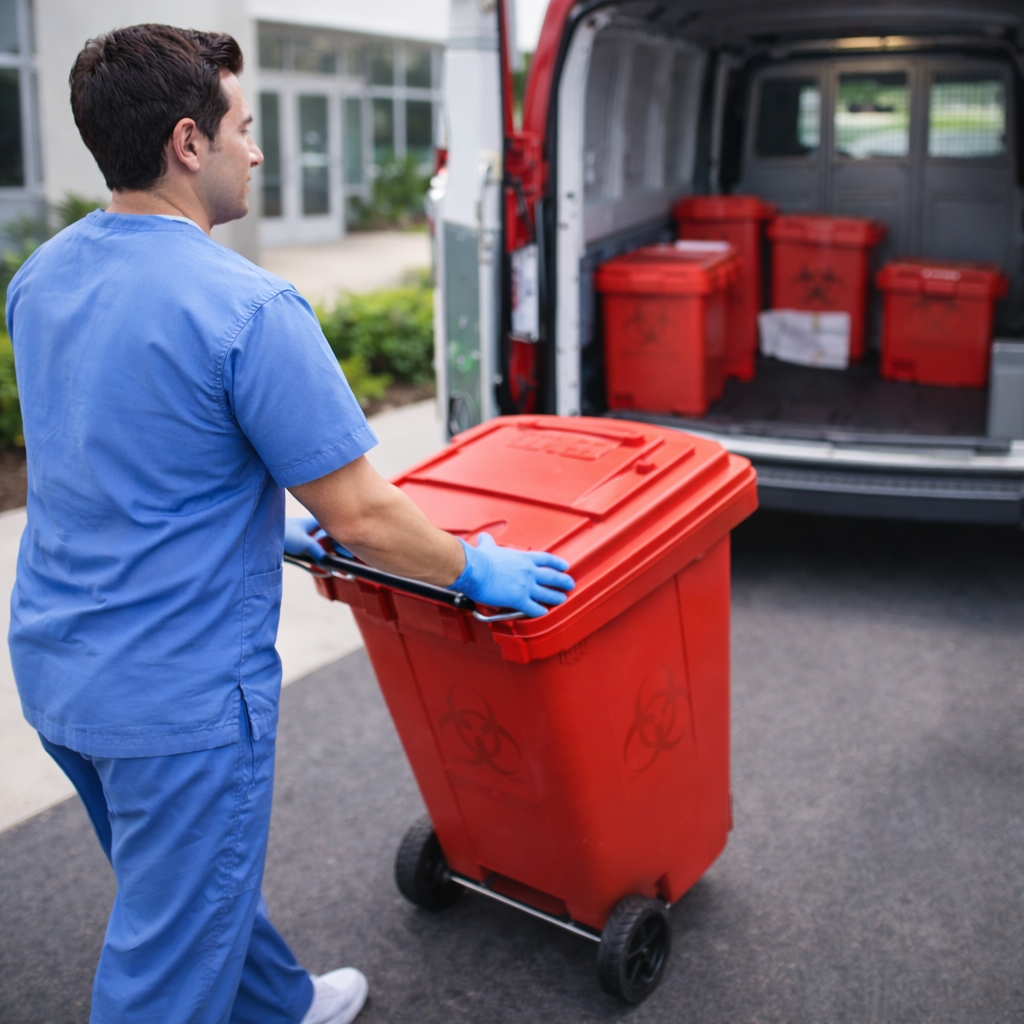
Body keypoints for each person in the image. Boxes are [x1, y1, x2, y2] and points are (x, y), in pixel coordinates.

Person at [5, 24, 574, 1024]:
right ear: (190, 142)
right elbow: (362, 513)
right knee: (166, 954)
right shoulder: (249, 308)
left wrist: (249, 524)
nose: (258, 149)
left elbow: (106, 457)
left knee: (180, 882)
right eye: (246, 125)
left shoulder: (41, 278)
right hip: (177, 700)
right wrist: (473, 567)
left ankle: (281, 1005)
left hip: (58, 668)